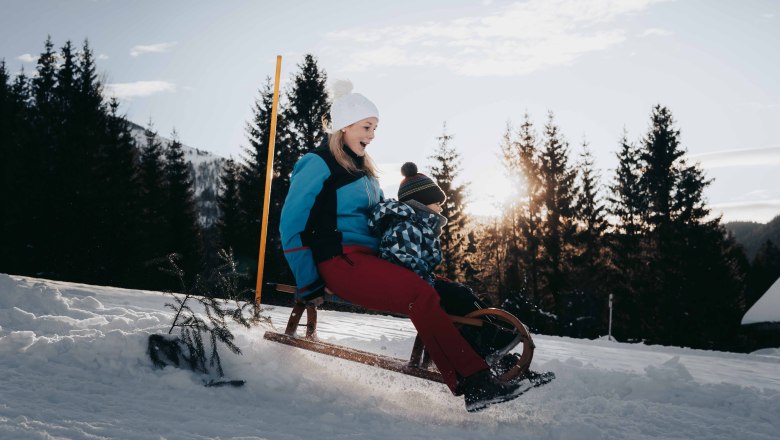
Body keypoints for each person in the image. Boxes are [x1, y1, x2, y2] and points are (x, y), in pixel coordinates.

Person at [280, 79, 529, 412]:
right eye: (367, 127)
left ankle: (499, 365)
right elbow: (292, 223)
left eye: (375, 128)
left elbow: (383, 217)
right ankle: (474, 382)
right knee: (419, 294)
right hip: (338, 261)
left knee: (446, 292)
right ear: (344, 127)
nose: (372, 135)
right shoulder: (318, 163)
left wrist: (417, 216)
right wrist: (307, 279)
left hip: (371, 261)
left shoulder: (364, 172)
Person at [367, 163, 520, 368]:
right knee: (458, 295)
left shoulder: (415, 225)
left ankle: (496, 346)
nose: (440, 207)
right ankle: (493, 339)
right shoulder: (405, 226)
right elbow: (401, 260)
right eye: (436, 203)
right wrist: (426, 276)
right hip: (408, 287)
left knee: (460, 295)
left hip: (416, 283)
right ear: (421, 203)